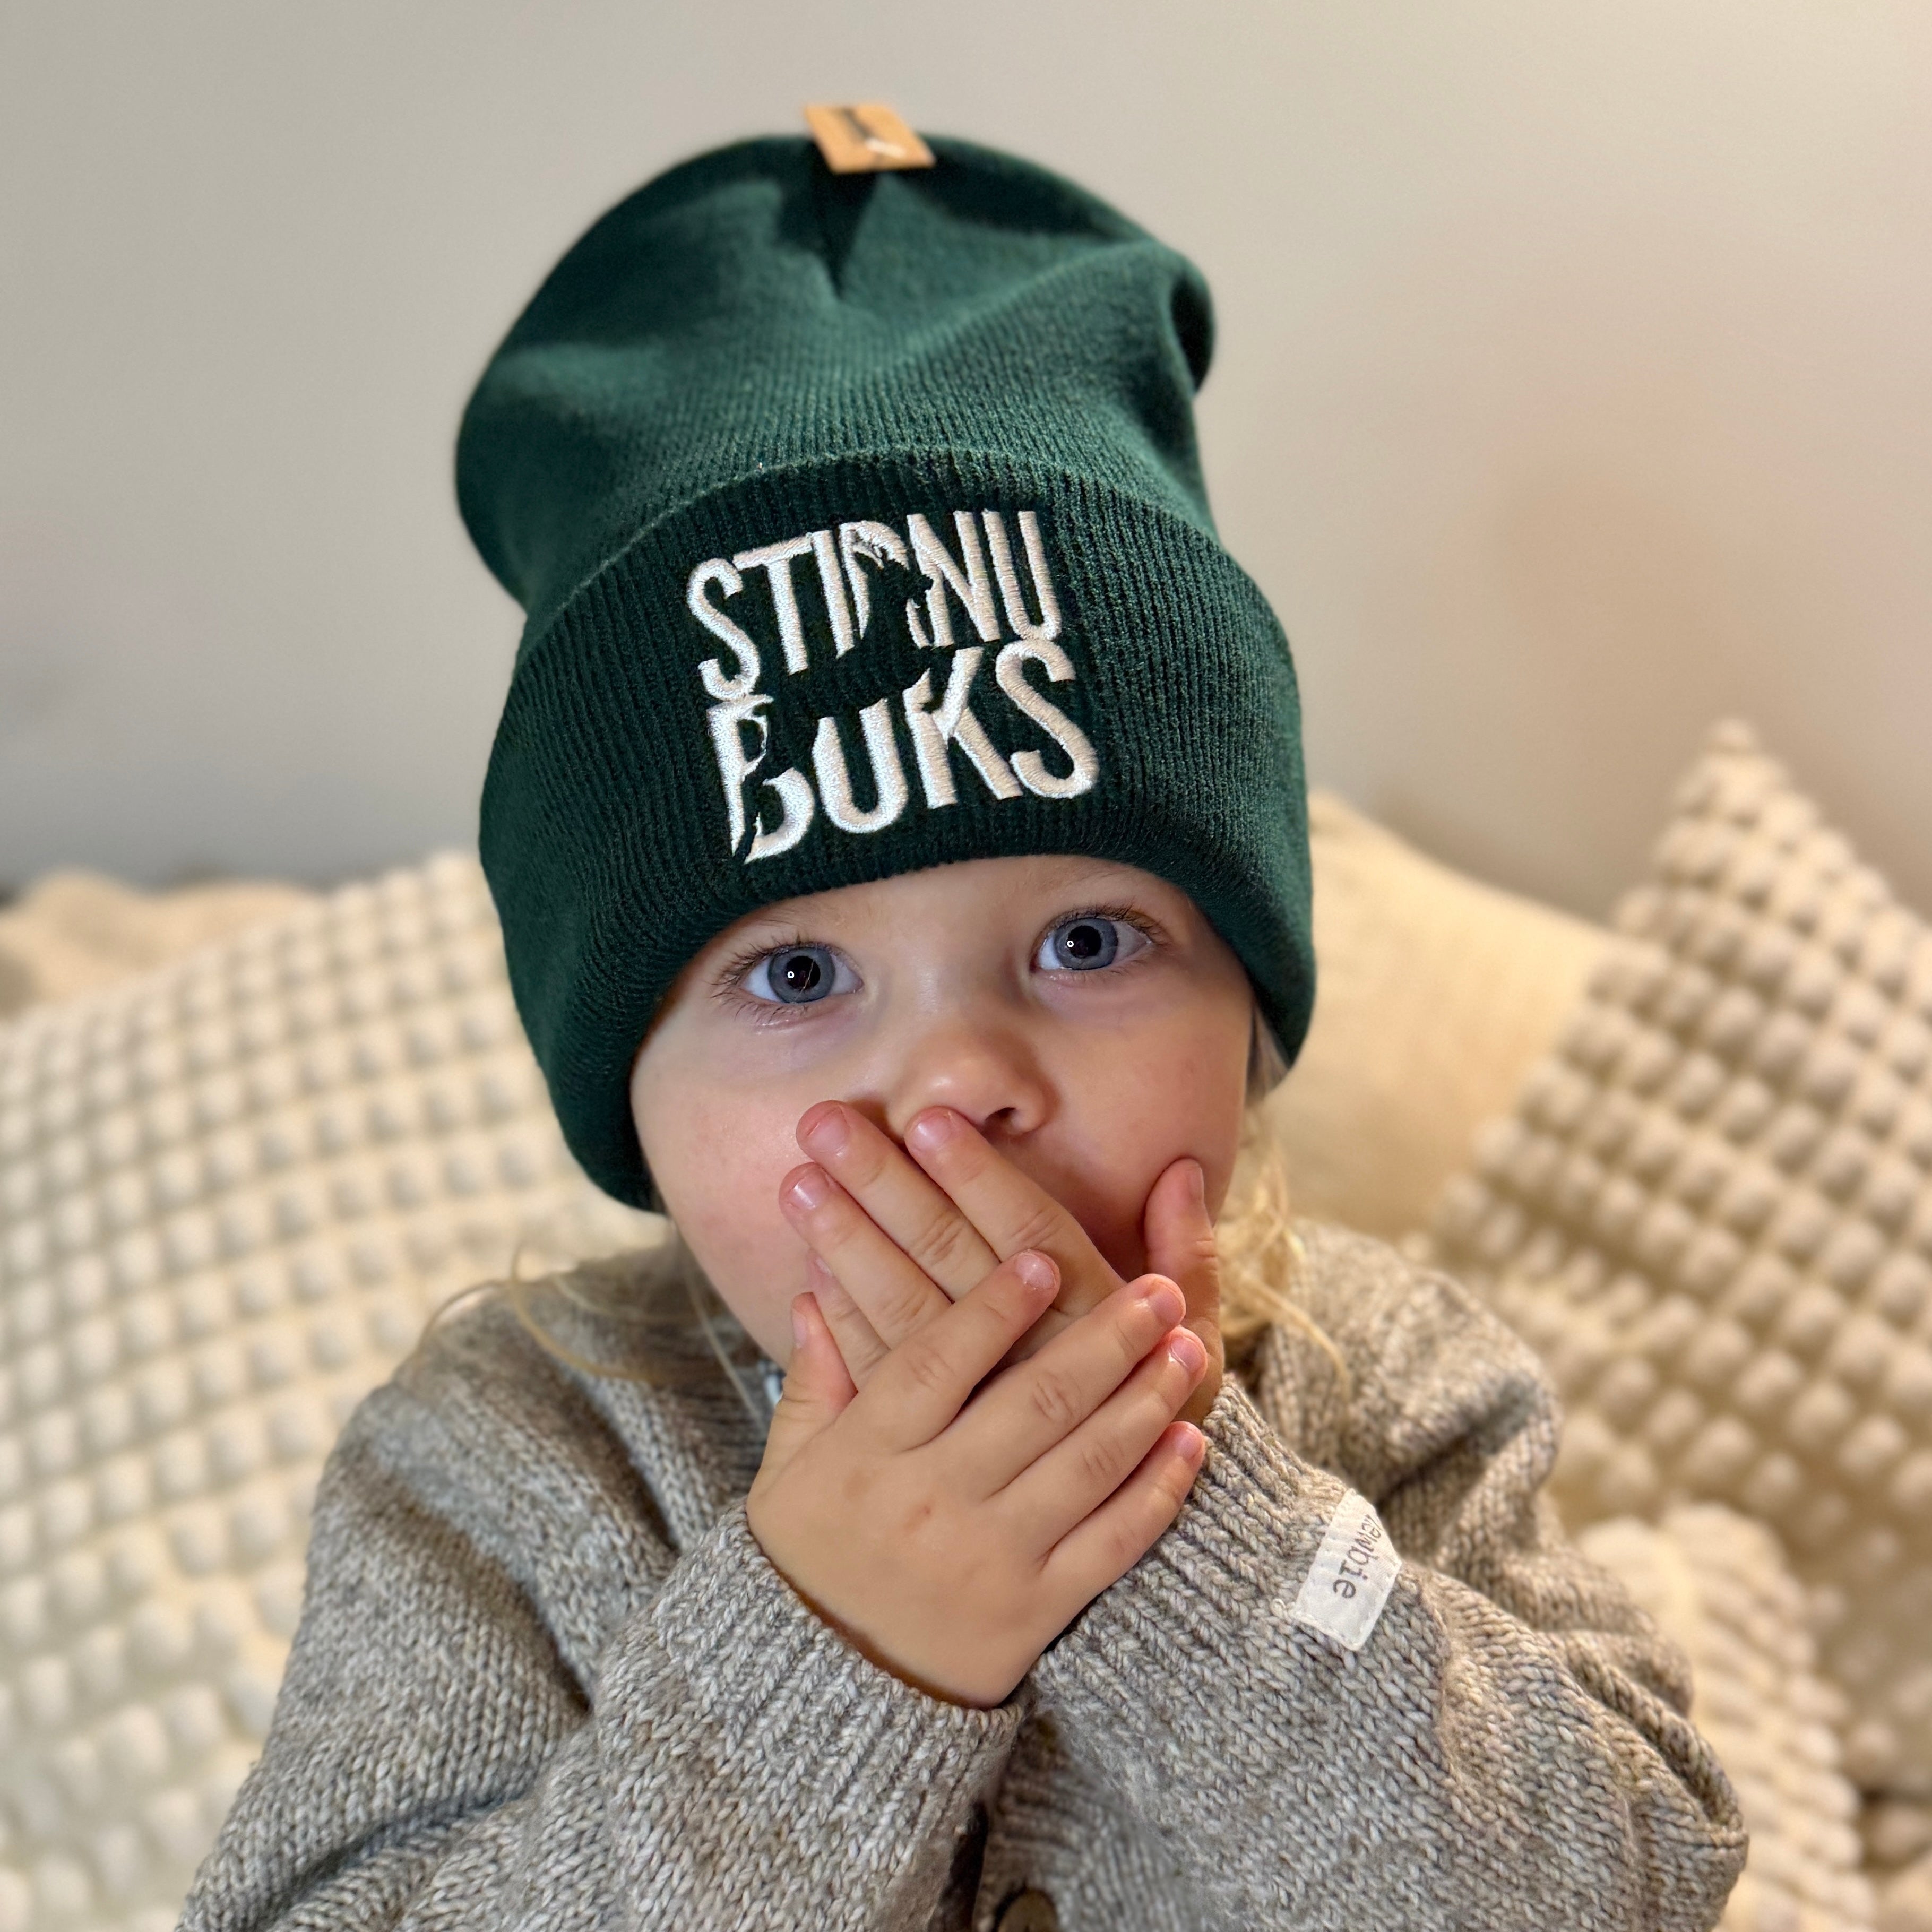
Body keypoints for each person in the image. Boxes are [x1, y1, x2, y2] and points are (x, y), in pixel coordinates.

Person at [179, 135, 1746, 1930]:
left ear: (1251, 1007)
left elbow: (1628, 1884)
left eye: (1088, 939)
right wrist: (829, 1660)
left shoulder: (1388, 1393)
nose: (959, 1085)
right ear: (625, 1083)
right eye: (792, 976)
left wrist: (1189, 1552)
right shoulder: (505, 1464)